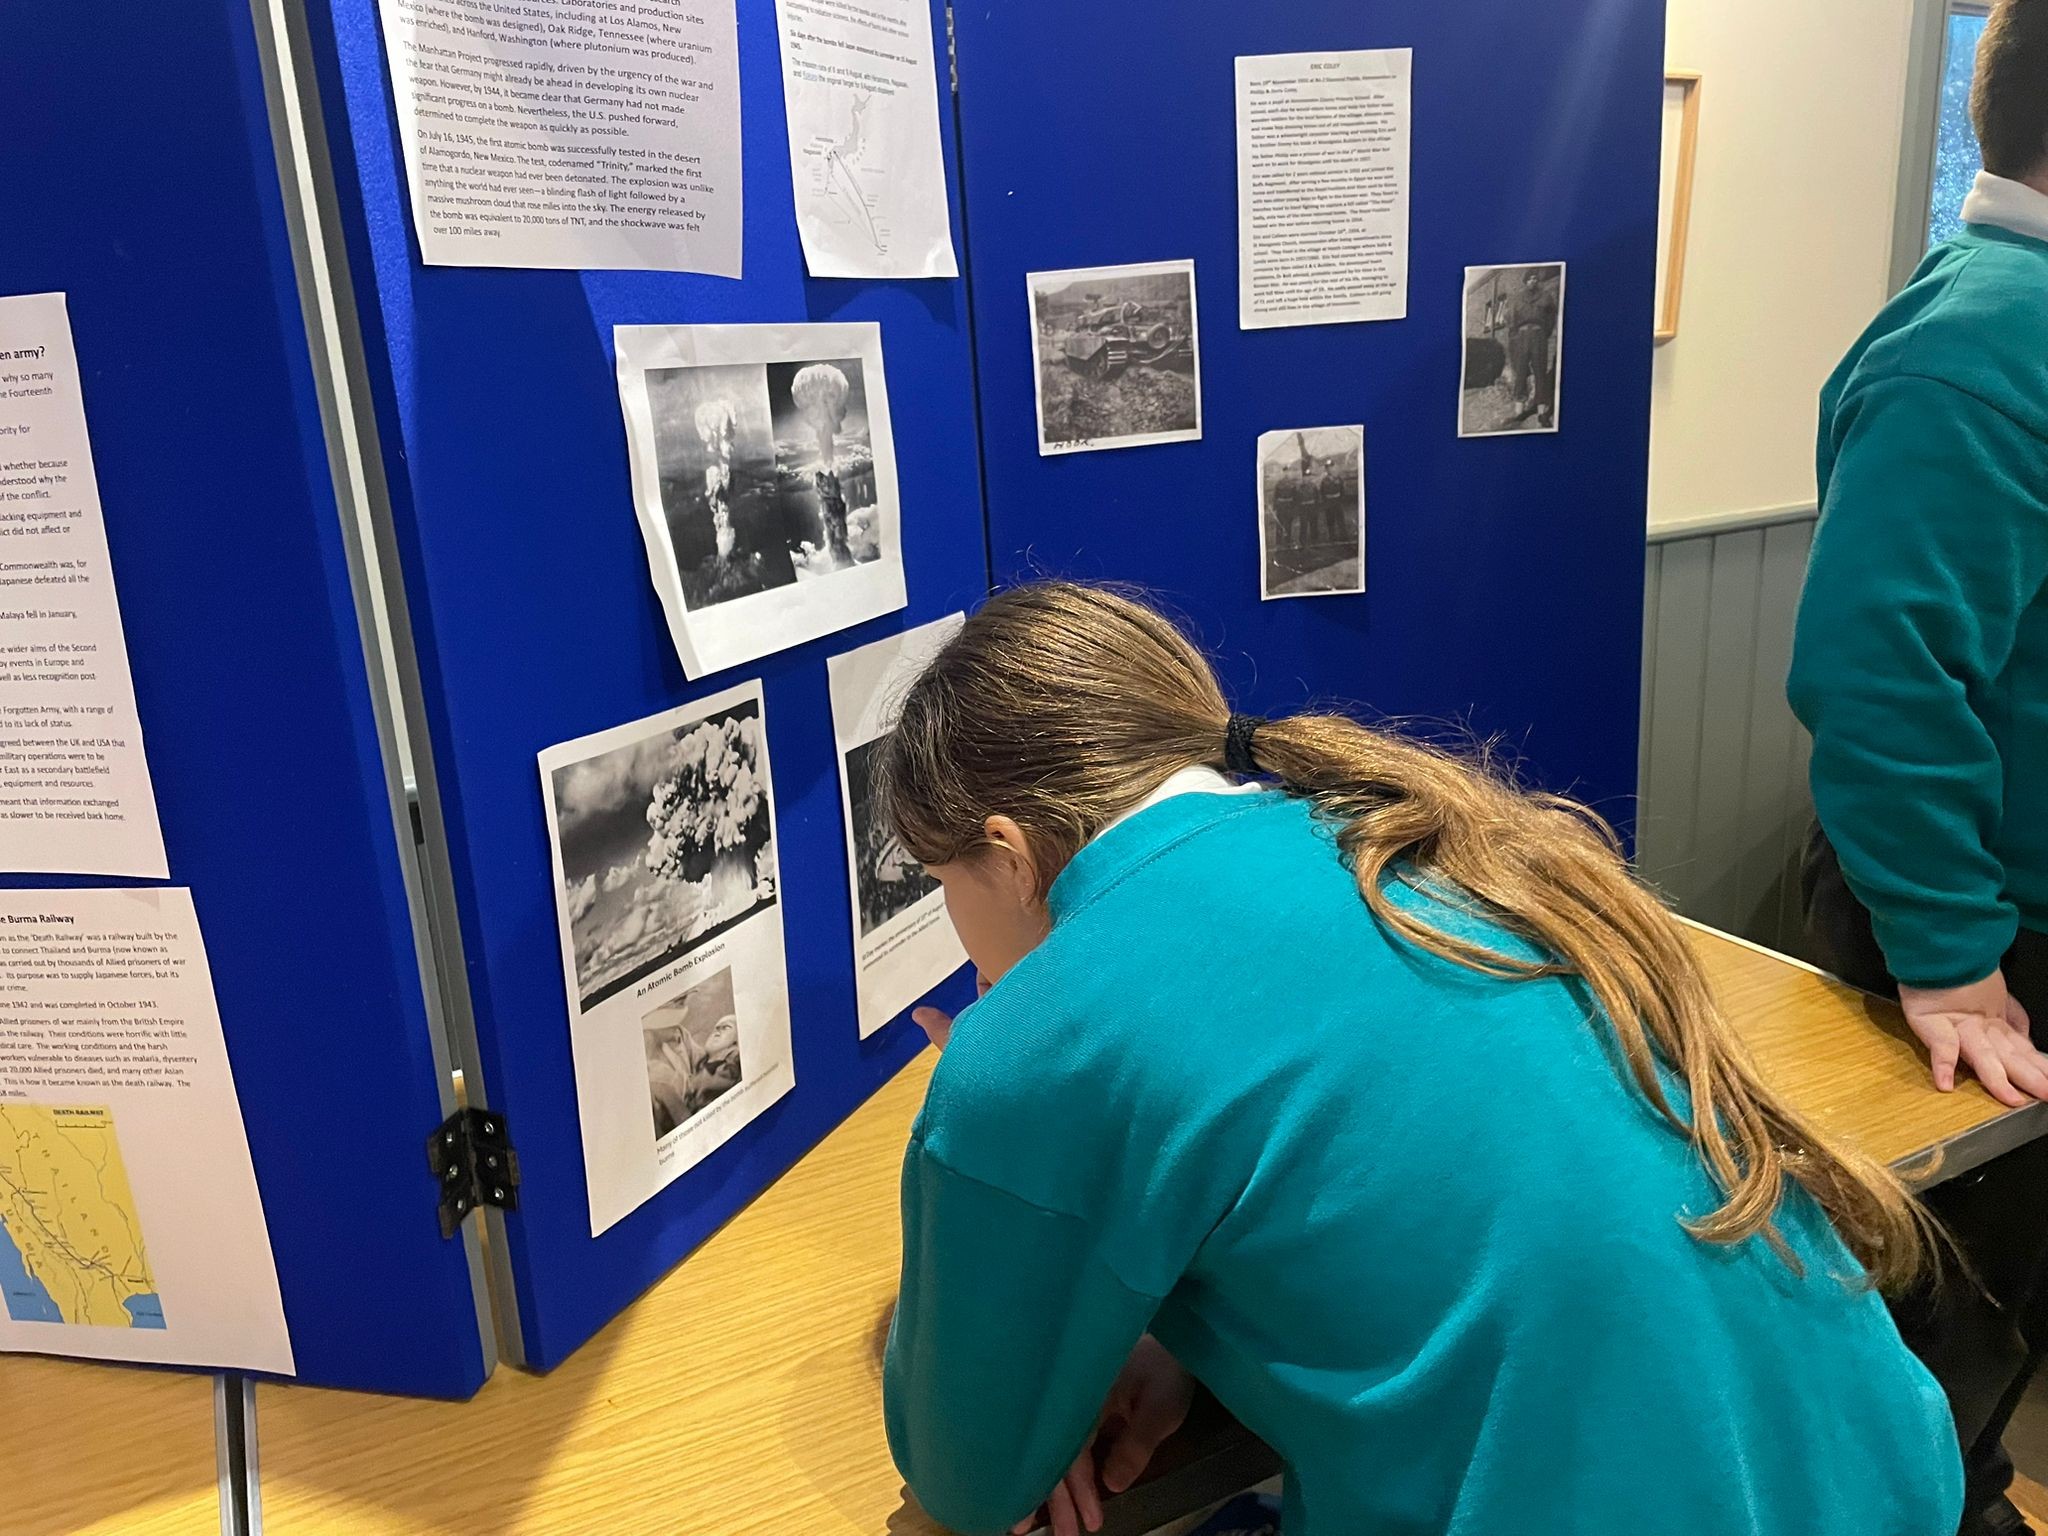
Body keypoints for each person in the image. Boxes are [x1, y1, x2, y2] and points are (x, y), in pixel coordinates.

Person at [878, 581, 1959, 1536]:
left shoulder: (1039, 1037)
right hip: (1877, 1467)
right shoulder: (1393, 836)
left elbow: (966, 1484)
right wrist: (1179, 1333)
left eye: (940, 881)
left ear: (1008, 856)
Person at [1786, 5, 2048, 1529]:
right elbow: (1879, 677)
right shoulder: (1986, 344)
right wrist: (1954, 961)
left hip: (1983, 910)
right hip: (1970, 931)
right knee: (1924, 1320)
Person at [1504, 269, 1558, 427]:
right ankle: (1519, 413)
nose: (1533, 281)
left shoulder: (1546, 297)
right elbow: (1510, 319)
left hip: (1539, 336)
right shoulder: (1516, 298)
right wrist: (1515, 336)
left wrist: (1544, 332)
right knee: (1521, 372)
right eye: (1530, 279)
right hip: (1521, 337)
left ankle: (1541, 413)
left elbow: (1551, 317)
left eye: (1535, 278)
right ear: (1525, 281)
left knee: (1540, 372)